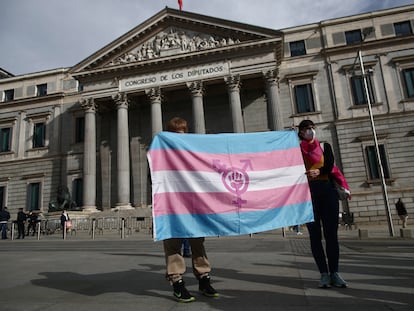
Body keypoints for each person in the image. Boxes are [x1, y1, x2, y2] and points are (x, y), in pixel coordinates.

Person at [161, 117, 218, 303]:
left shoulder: (193, 153)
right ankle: (177, 283)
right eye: (177, 133)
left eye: (184, 132)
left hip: (193, 205)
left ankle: (203, 278)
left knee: (198, 243)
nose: (182, 136)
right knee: (173, 244)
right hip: (171, 205)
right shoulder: (160, 154)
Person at [298, 120, 347, 288]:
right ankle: (323, 274)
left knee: (331, 234)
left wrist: (319, 171)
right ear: (301, 132)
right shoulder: (296, 150)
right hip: (308, 194)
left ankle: (335, 272)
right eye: (306, 129)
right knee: (315, 236)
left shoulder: (325, 146)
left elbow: (330, 165)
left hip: (328, 191)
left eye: (312, 128)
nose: (310, 131)